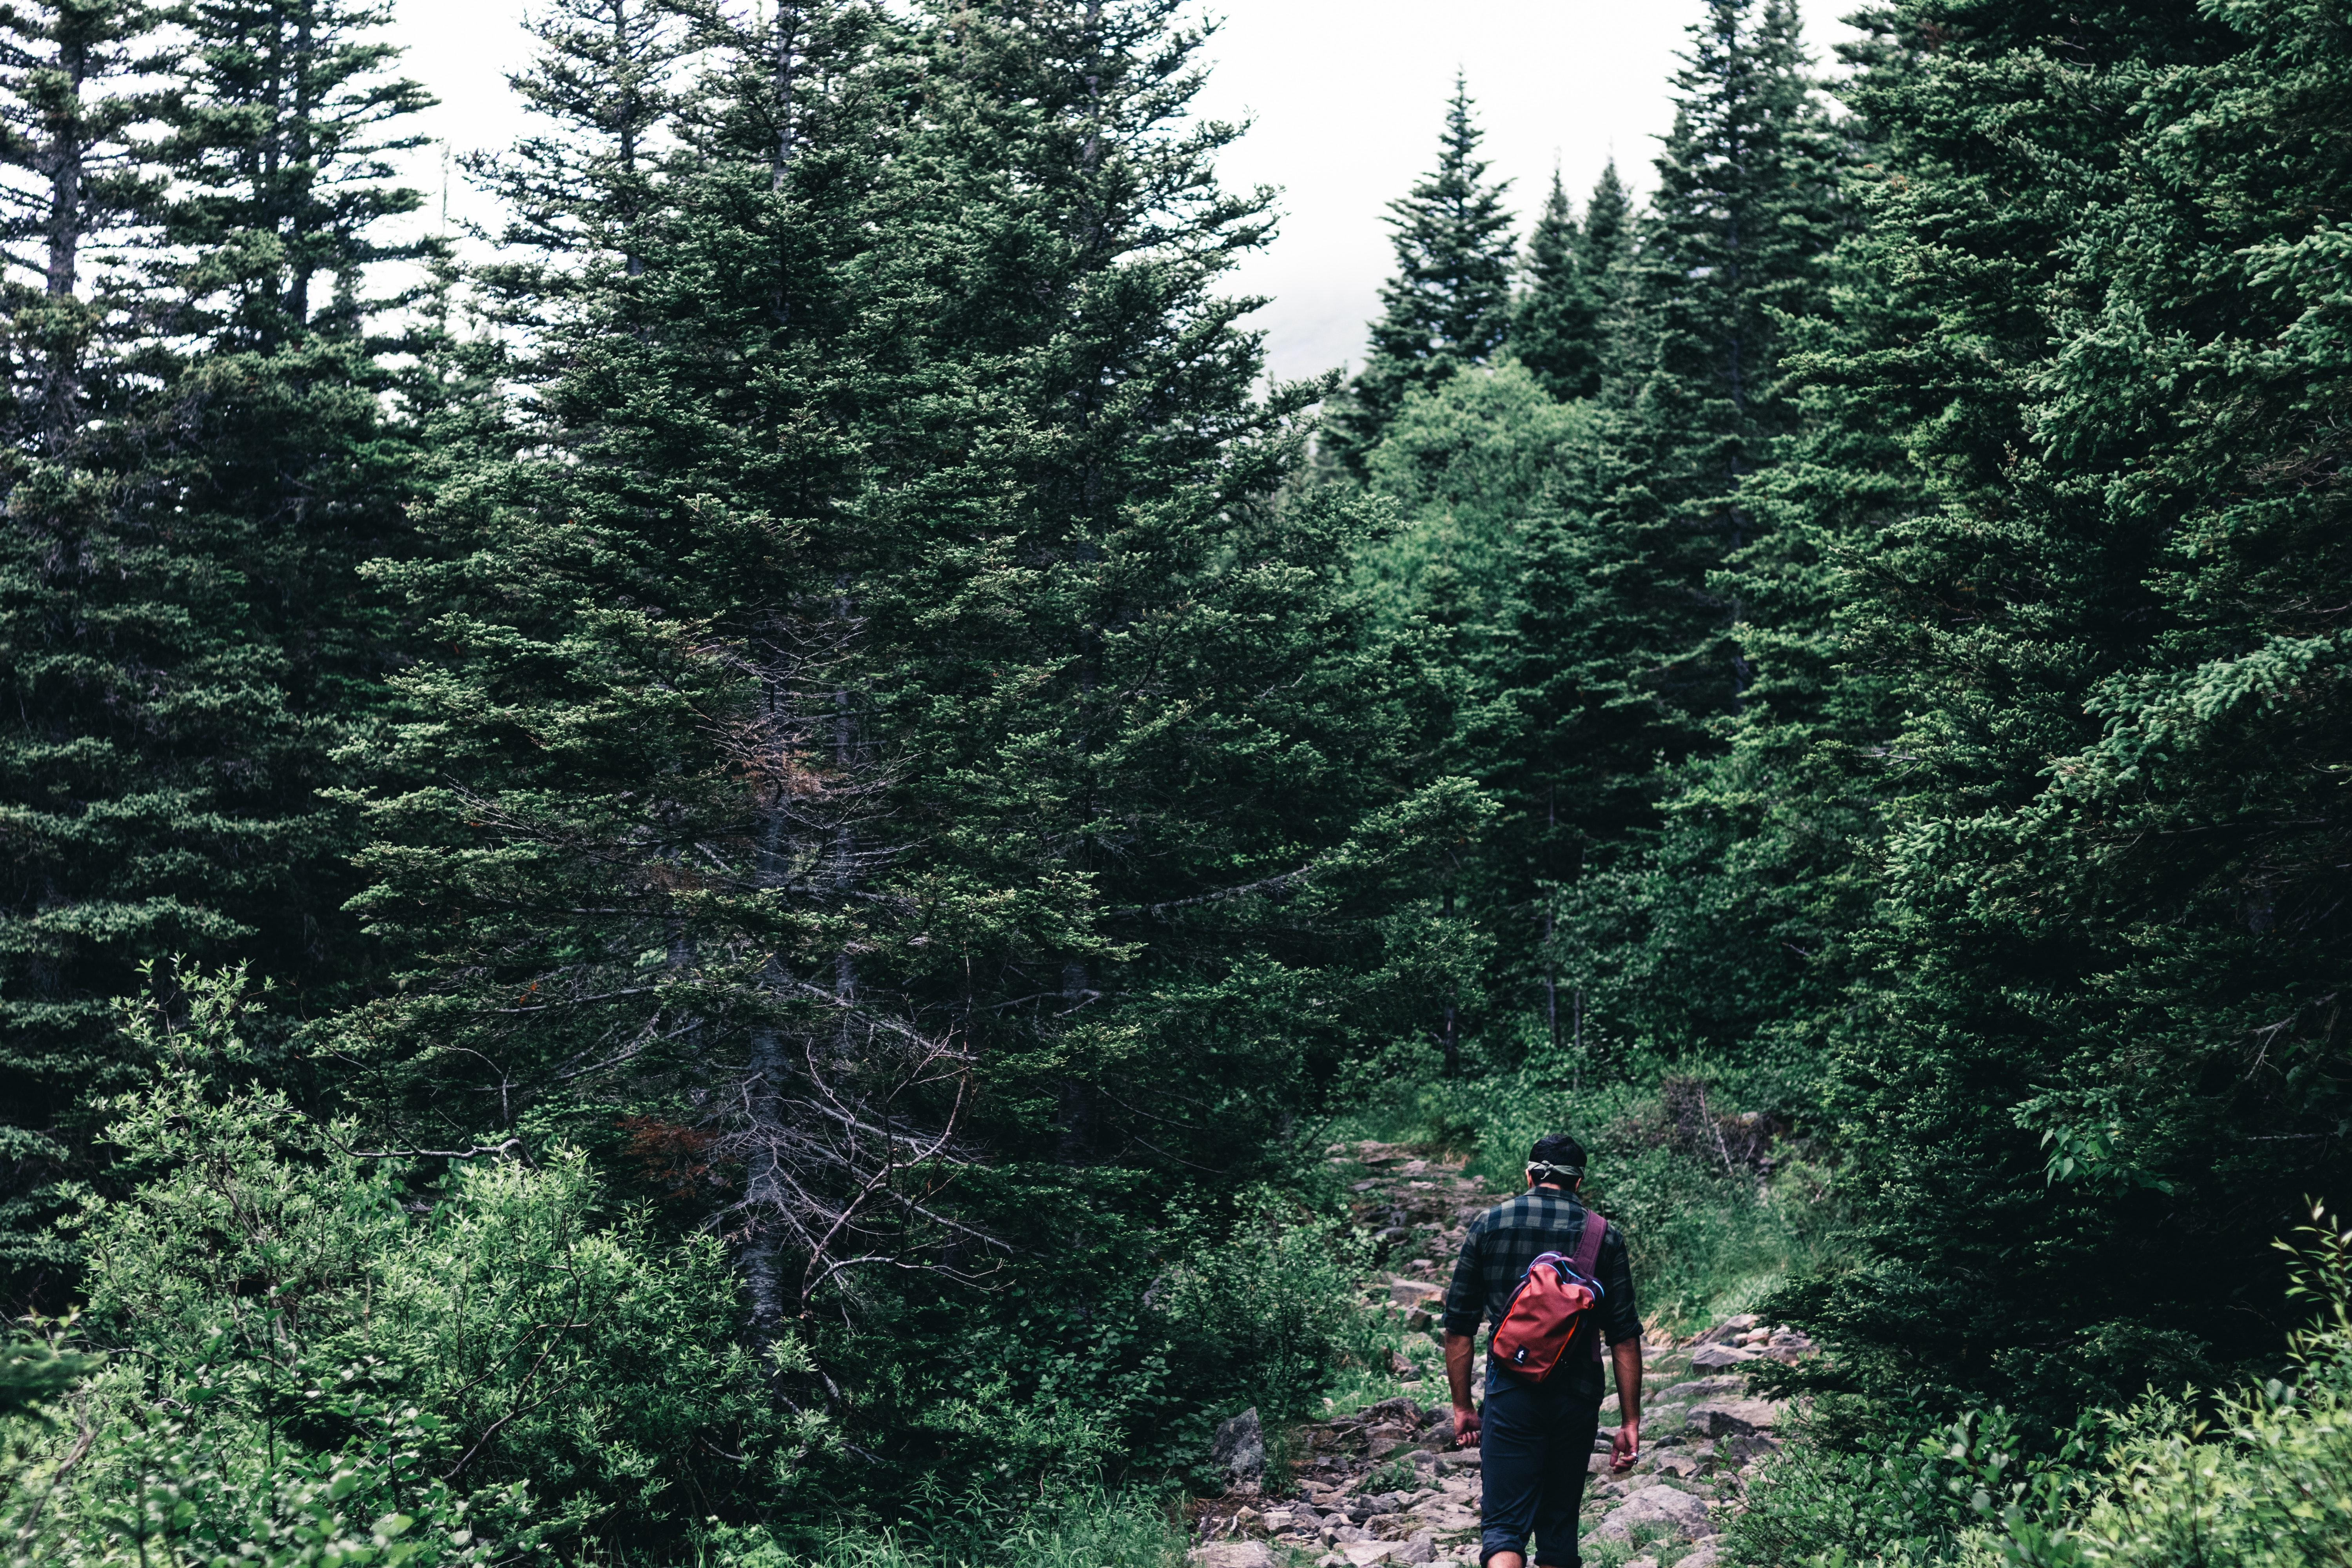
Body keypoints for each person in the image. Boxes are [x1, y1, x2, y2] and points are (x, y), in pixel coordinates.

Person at [1441, 1133, 1641, 1568]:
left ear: (1530, 1174)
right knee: (1557, 1528)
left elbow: (1459, 1328)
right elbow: (1624, 1336)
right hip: (1577, 1392)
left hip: (1511, 1390)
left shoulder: (1489, 1224)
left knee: (1503, 1527)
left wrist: (1463, 1406)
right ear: (1578, 1182)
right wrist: (1630, 1420)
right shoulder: (1605, 1236)